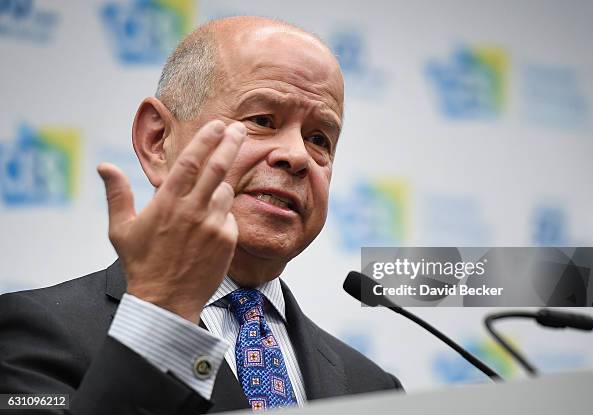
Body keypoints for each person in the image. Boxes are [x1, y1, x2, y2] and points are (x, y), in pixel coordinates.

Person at [0, 16, 402, 414]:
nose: (297, 156)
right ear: (158, 140)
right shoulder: (32, 335)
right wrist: (163, 316)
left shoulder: (373, 389)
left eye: (318, 139)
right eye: (262, 120)